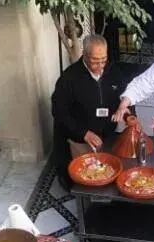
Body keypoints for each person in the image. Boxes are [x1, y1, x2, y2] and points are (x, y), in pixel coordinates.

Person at [51, 34, 124, 189]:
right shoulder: (69, 78)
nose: (100, 66)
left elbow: (124, 96)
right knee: (84, 179)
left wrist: (130, 114)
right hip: (79, 139)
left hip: (106, 135)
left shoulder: (113, 71)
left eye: (103, 59)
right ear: (84, 55)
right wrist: (84, 133)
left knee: (106, 174)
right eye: (95, 61)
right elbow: (59, 111)